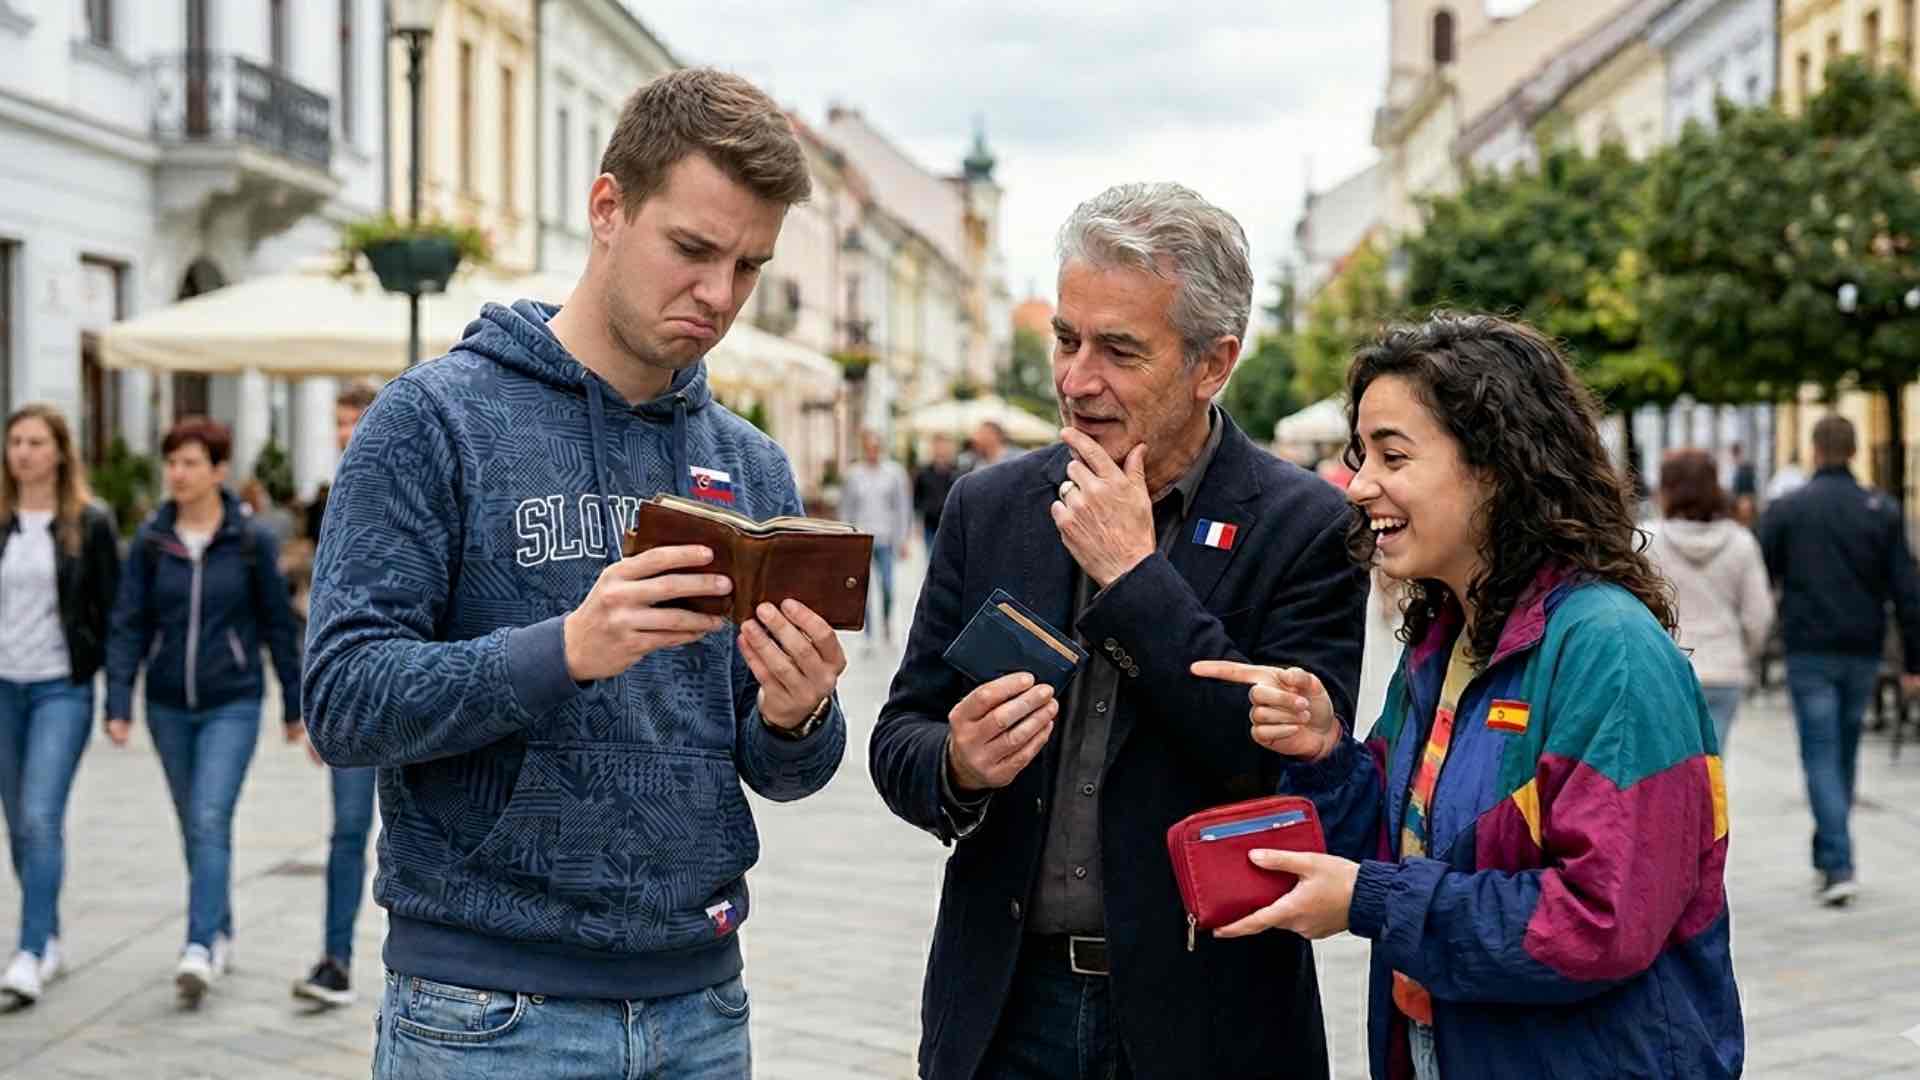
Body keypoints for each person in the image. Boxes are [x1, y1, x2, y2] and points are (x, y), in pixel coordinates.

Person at [303, 68, 847, 1078]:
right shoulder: (435, 423)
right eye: (691, 249)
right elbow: (341, 700)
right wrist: (566, 649)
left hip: (702, 1005)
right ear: (608, 207)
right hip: (487, 1009)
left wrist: (796, 713)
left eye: (748, 267)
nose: (718, 295)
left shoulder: (750, 463)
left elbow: (786, 773)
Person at [870, 183, 1368, 1079]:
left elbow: (1275, 768)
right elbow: (899, 739)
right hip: (1005, 1009)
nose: (1075, 378)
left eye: (1119, 350)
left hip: (1206, 1017)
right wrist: (957, 764)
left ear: (1213, 363)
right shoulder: (991, 507)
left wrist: (1136, 578)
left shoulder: (1305, 527)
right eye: (1066, 339)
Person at [1193, 314, 1743, 1079]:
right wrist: (1323, 754)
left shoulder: (1607, 649)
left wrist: (1372, 902)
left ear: (1495, 465)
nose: (1358, 487)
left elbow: (1602, 920)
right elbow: (1388, 845)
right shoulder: (1443, 640)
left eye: (1392, 455)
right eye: (1361, 457)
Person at [104, 416, 303, 1007]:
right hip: (167, 703)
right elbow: (128, 623)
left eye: (191, 462)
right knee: (194, 823)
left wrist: (295, 705)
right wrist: (118, 701)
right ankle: (219, 925)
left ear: (219, 471)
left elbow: (277, 627)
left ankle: (197, 946)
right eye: (171, 462)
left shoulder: (250, 540)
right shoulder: (150, 540)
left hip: (232, 701)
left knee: (210, 817)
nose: (177, 473)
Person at [1757, 415, 1920, 907]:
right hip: (1864, 649)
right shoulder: (1882, 510)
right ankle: (1830, 852)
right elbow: (1908, 592)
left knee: (1821, 753)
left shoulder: (1788, 509)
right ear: (1854, 451)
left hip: (1810, 647)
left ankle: (1837, 860)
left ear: (1815, 449)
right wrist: (1913, 660)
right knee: (1842, 752)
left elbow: (1763, 572)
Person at [0, 405, 119, 1007]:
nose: (23, 452)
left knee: (41, 816)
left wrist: (111, 687)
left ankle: (27, 952)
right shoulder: (2, 520)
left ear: (59, 452)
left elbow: (111, 608)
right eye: (16, 441)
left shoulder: (89, 523)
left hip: (59, 687)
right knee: (17, 825)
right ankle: (47, 935)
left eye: (36, 442)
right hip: (3, 688)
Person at [291, 380, 380, 1007]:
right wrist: (317, 703)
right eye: (340, 422)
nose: (347, 433)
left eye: (357, 420)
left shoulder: (424, 485)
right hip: (359, 695)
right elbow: (326, 613)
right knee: (348, 829)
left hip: (426, 686)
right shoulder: (326, 502)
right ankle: (335, 958)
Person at [1645, 449, 1772, 754]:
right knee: (1713, 766)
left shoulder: (1646, 541)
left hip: (1665, 669)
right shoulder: (1741, 543)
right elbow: (1760, 615)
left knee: (1668, 769)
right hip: (1723, 670)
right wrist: (1743, 651)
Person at [839, 429, 913, 643]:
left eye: (876, 447)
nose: (873, 451)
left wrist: (903, 539)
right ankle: (869, 629)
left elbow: (902, 508)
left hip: (886, 538)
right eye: (869, 447)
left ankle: (887, 620)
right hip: (862, 539)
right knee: (863, 588)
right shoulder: (854, 475)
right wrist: (846, 537)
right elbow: (846, 508)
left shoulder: (894, 473)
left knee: (888, 585)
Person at [912, 433, 961, 553]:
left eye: (944, 447)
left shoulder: (958, 472)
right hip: (930, 523)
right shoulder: (924, 472)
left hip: (951, 525)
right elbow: (917, 498)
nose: (941, 450)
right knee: (931, 557)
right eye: (938, 446)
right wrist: (918, 522)